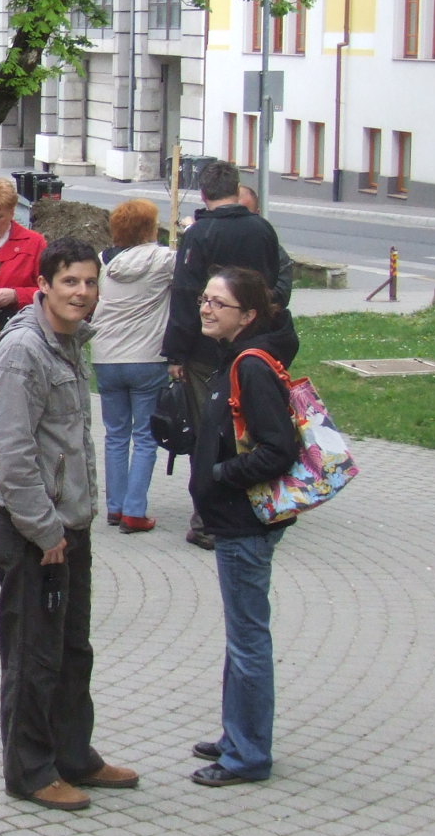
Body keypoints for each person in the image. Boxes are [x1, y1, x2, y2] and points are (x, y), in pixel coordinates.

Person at [0, 236, 139, 811]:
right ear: (44, 285)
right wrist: (44, 529)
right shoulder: (22, 350)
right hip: (35, 533)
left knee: (73, 650)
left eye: (90, 282)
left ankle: (74, 754)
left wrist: (73, 521)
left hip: (69, 525)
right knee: (34, 658)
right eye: (70, 281)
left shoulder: (71, 341)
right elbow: (12, 455)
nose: (82, 292)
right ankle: (29, 771)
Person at [186, 266, 299, 787]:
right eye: (205, 299)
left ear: (248, 315)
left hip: (243, 523)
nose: (206, 309)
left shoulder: (250, 366)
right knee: (241, 637)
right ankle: (238, 734)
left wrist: (220, 475)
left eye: (219, 303)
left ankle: (248, 754)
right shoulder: (234, 356)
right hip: (233, 520)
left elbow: (278, 449)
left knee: (248, 640)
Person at [161, 161, 296, 548]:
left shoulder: (199, 234)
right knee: (251, 428)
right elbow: (274, 281)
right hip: (257, 341)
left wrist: (176, 353)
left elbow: (185, 295)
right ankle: (260, 503)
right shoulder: (262, 230)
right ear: (237, 191)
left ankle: (208, 519)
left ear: (203, 194)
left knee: (210, 430)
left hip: (208, 351)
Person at [93, 199, 177, 534]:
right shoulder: (164, 259)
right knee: (144, 436)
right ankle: (134, 510)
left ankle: (114, 506)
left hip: (106, 357)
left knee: (115, 435)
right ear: (149, 228)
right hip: (147, 357)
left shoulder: (104, 261)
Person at [0, 176, 45, 326]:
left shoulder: (34, 243)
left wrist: (16, 295)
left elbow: (50, 291)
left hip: (19, 326)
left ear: (12, 213)